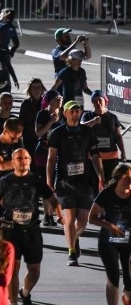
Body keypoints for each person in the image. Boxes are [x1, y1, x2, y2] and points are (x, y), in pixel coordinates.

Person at [0, 148, 63, 305]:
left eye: (26, 158)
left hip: (32, 230)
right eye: (19, 158)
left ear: (30, 160)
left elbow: (52, 199)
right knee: (13, 267)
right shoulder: (5, 181)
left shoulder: (36, 180)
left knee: (34, 271)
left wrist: (59, 214)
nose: (23, 161)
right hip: (10, 231)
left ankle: (25, 293)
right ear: (13, 161)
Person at [46, 99, 103, 266]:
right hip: (65, 182)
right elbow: (51, 159)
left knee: (83, 223)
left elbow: (94, 155)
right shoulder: (58, 133)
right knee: (69, 219)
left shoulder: (87, 131)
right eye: (72, 110)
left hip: (85, 182)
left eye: (78, 110)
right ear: (65, 113)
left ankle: (74, 237)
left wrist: (101, 176)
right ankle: (71, 252)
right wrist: (49, 181)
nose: (75, 113)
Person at [88, 163, 131, 305]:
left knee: (129, 275)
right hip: (109, 241)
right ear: (118, 179)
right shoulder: (107, 194)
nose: (129, 182)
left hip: (128, 241)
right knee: (113, 277)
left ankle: (128, 300)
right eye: (127, 178)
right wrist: (109, 226)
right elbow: (92, 218)